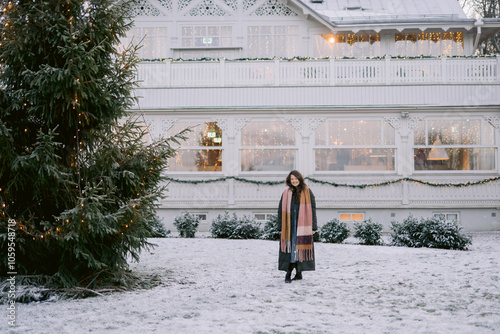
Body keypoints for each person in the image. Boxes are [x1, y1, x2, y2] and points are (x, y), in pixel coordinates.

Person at [277, 170, 317, 283]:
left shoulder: (308, 192)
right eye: (292, 179)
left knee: (300, 248)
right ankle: (289, 272)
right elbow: (280, 211)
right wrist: (280, 227)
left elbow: (312, 210)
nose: (294, 181)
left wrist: (313, 227)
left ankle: (299, 272)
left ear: (300, 179)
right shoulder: (286, 193)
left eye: (296, 179)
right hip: (289, 226)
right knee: (291, 248)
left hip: (303, 226)